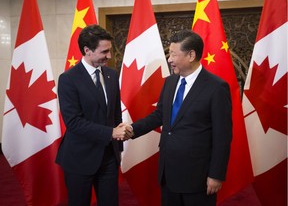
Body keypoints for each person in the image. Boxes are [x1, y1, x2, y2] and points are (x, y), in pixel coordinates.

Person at [125, 30, 232, 206]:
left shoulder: (216, 87)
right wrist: (131, 129)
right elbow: (160, 115)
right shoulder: (170, 82)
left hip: (197, 176)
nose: (169, 59)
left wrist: (216, 174)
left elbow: (223, 136)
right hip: (168, 172)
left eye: (173, 54)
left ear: (191, 55)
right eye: (169, 54)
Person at [56, 24, 131, 206]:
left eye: (110, 51)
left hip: (108, 158)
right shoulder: (68, 79)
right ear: (87, 50)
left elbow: (115, 115)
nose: (110, 56)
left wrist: (118, 147)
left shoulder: (112, 75)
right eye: (104, 52)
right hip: (79, 158)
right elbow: (73, 122)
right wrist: (111, 133)